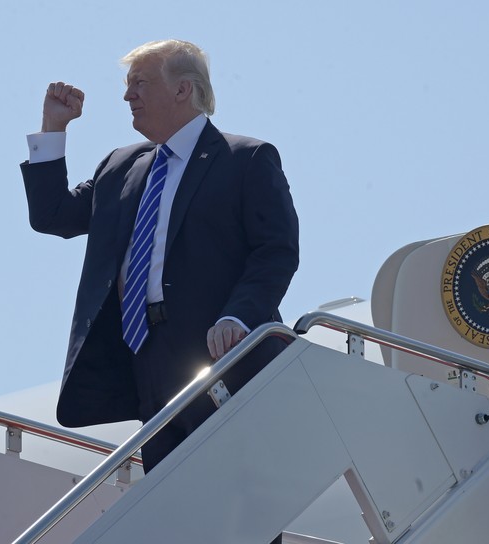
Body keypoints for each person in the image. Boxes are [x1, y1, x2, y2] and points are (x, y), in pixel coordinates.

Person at [20, 39, 299, 475]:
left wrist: (239, 318)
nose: (127, 95)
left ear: (183, 90)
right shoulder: (120, 166)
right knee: (175, 514)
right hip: (145, 361)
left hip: (221, 354)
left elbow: (276, 251)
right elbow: (53, 216)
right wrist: (54, 126)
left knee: (243, 505)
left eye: (140, 83)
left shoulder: (246, 159)